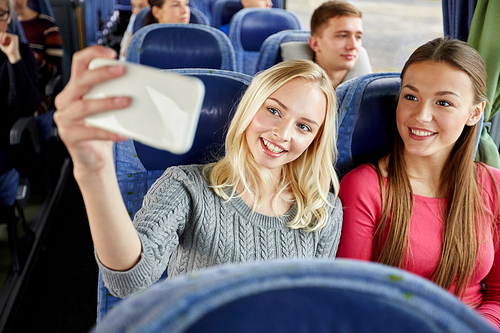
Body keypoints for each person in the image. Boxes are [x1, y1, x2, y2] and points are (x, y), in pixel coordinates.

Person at [53, 45, 343, 298]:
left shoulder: (322, 211)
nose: (282, 133)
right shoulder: (187, 187)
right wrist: (95, 171)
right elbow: (129, 281)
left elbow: (310, 304)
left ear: (315, 140)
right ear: (250, 109)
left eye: (303, 126)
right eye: (274, 111)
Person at [337, 37, 500, 329]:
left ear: (474, 113)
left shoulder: (493, 185)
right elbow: (353, 301)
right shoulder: (365, 188)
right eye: (410, 97)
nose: (421, 116)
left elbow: (498, 295)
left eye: (444, 102)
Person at [0, 0, 39, 271]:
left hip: (6, 142)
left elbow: (26, 106)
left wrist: (13, 59)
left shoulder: (20, 52)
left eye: (0, 14)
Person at [13, 0, 63, 114]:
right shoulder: (4, 26)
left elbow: (56, 71)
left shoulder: (47, 25)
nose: (14, 2)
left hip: (37, 90)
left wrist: (35, 59)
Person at [306, 0, 370, 88]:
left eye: (358, 37)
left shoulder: (372, 92)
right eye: (342, 36)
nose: (353, 46)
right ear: (315, 44)